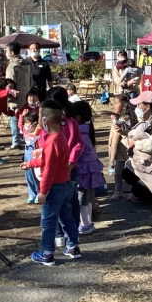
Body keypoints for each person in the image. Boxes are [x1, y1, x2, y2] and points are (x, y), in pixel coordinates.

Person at [22, 104, 81, 265]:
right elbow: (48, 160)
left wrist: (42, 191)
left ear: (45, 120)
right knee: (66, 217)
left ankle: (47, 253)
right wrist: (31, 163)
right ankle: (73, 246)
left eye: (41, 119)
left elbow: (48, 169)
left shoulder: (52, 141)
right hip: (65, 184)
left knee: (48, 221)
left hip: (54, 187)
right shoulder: (60, 136)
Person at [68, 101, 105, 236]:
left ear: (77, 117)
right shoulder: (86, 130)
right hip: (88, 169)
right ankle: (87, 223)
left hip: (82, 170)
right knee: (86, 197)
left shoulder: (79, 134)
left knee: (82, 198)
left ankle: (85, 224)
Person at [106, 93, 132, 199]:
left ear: (124, 104)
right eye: (113, 103)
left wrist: (111, 159)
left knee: (121, 172)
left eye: (116, 103)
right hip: (120, 151)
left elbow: (116, 140)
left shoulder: (123, 119)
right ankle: (121, 190)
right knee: (120, 172)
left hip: (123, 151)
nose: (114, 106)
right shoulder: (119, 119)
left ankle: (120, 191)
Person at [5, 43, 29, 151]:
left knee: (14, 118)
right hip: (27, 96)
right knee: (25, 118)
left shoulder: (12, 66)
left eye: (6, 51)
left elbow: (9, 83)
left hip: (15, 97)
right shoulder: (27, 64)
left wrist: (8, 97)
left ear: (11, 52)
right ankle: (25, 138)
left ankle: (16, 141)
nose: (5, 53)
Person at [21, 110, 41, 203]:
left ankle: (39, 193)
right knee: (28, 174)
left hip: (35, 152)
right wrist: (22, 116)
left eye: (28, 123)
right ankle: (31, 194)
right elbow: (20, 125)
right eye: (25, 123)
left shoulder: (39, 132)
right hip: (27, 151)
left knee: (36, 175)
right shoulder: (25, 130)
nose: (26, 125)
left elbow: (36, 132)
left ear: (35, 124)